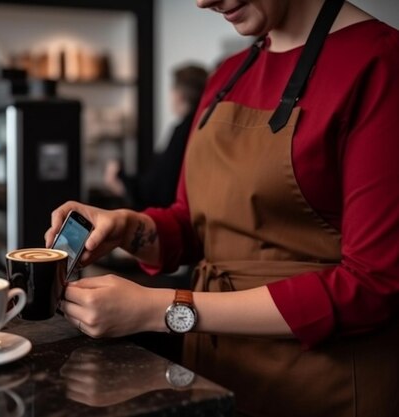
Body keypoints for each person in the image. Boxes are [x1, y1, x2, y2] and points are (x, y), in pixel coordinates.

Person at [44, 1, 399, 416]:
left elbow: (371, 286)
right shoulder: (228, 74)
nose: (202, 1)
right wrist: (126, 227)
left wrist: (160, 309)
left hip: (320, 384)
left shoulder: (380, 62)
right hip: (213, 372)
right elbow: (194, 224)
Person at [104, 64, 208, 210]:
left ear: (179, 95)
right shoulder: (207, 125)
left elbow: (157, 191)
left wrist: (118, 179)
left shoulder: (182, 132)